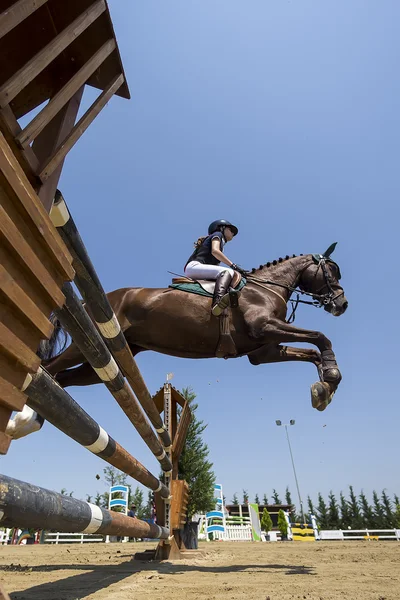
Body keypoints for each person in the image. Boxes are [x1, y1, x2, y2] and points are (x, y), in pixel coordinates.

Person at [185, 219, 246, 316]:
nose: (233, 233)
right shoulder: (218, 234)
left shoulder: (219, 239)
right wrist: (233, 266)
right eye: (231, 230)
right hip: (195, 266)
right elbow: (215, 251)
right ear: (221, 228)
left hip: (195, 269)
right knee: (228, 272)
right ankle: (218, 302)